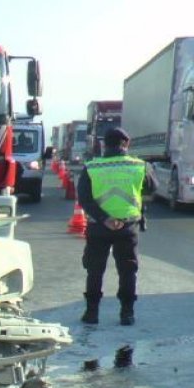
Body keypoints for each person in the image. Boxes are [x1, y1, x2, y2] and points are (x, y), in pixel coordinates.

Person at [76, 127, 157, 326]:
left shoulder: (92, 167)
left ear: (104, 144)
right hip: (128, 227)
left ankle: (91, 313)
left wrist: (105, 219)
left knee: (95, 270)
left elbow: (84, 199)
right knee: (128, 270)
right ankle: (127, 314)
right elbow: (152, 188)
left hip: (98, 227)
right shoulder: (140, 166)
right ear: (126, 144)